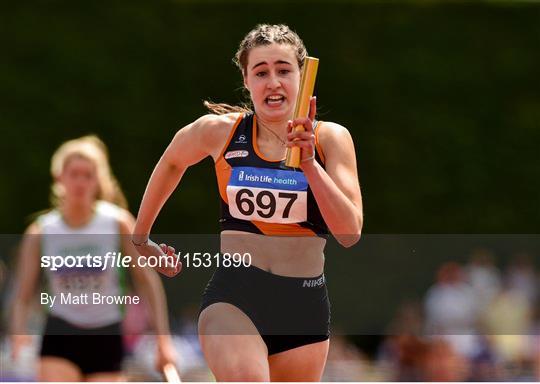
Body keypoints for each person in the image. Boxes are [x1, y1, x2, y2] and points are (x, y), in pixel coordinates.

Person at [133, 24, 363, 381]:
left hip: (304, 306)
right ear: (247, 81)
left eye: (284, 70)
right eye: (261, 72)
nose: (273, 81)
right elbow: (173, 160)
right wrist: (140, 238)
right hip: (235, 296)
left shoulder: (330, 139)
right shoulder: (220, 132)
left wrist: (309, 165)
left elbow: (349, 233)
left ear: (302, 77)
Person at [9, 135, 177, 381]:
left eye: (87, 175)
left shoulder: (117, 223)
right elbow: (23, 293)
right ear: (59, 178)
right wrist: (18, 331)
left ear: (98, 180)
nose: (80, 182)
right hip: (61, 330)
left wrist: (163, 340)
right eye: (74, 174)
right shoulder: (41, 231)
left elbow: (146, 281)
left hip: (106, 333)